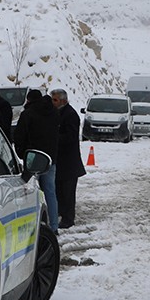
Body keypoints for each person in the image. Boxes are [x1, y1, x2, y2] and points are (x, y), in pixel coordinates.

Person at [13, 89, 61, 232]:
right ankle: (54, 226)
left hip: (32, 158)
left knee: (31, 192)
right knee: (50, 192)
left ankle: (31, 227)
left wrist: (22, 154)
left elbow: (19, 136)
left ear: (29, 100)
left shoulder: (27, 114)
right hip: (50, 158)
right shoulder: (54, 113)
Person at [50, 88, 86, 229]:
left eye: (55, 100)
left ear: (63, 101)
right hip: (60, 161)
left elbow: (70, 137)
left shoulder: (70, 115)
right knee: (59, 191)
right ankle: (61, 214)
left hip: (69, 163)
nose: (53, 103)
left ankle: (68, 218)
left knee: (68, 193)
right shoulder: (57, 113)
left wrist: (54, 138)